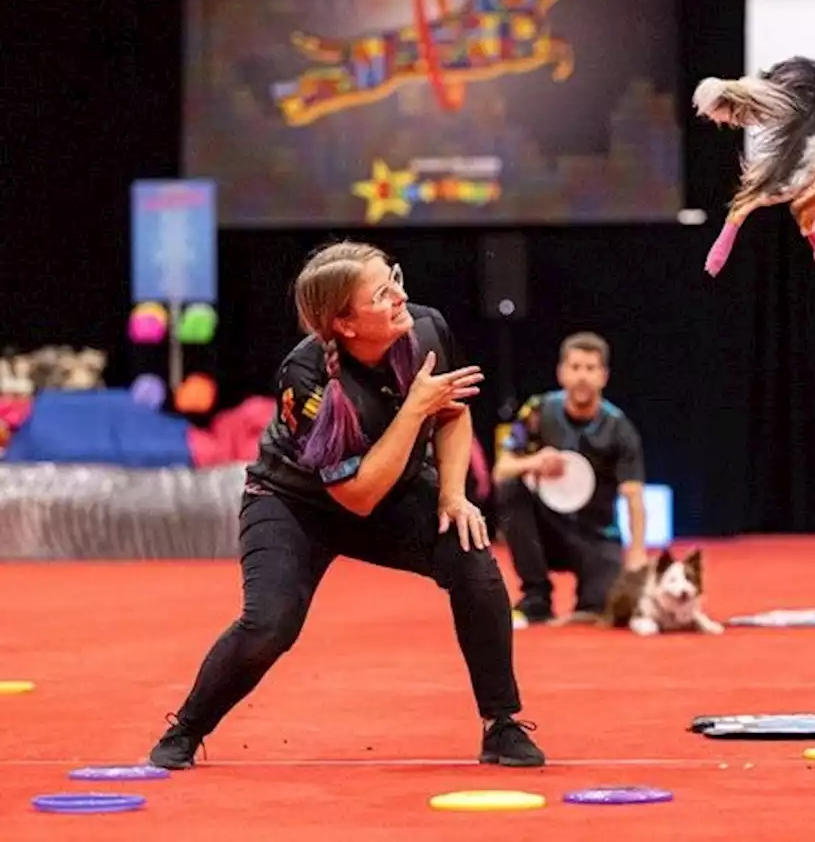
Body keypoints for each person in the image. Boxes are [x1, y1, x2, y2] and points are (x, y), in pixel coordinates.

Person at [146, 241, 545, 769]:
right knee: (270, 624)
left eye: (396, 278)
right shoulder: (306, 379)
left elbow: (451, 415)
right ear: (346, 324)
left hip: (395, 490)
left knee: (475, 563)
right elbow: (355, 497)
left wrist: (452, 495)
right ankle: (187, 728)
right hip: (295, 505)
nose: (401, 295)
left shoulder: (425, 329)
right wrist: (414, 411)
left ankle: (502, 725)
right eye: (382, 293)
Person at [493, 332, 648, 625]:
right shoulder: (539, 410)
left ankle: (591, 593)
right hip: (547, 528)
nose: (582, 377)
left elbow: (633, 495)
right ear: (561, 372)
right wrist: (533, 462)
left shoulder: (619, 428)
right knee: (510, 488)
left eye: (590, 369)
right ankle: (536, 598)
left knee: (602, 608)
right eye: (575, 367)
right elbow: (501, 468)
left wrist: (638, 553)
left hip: (596, 535)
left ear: (603, 376)